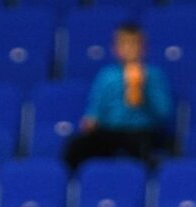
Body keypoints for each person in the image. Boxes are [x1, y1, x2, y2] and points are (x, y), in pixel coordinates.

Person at [64, 22, 173, 171]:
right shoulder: (106, 75)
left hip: (140, 131)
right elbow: (95, 107)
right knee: (76, 146)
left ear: (143, 48)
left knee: (146, 152)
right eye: (124, 44)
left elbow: (163, 112)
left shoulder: (153, 75)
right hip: (110, 131)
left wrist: (144, 89)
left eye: (134, 44)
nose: (129, 49)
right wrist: (91, 119)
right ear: (115, 48)